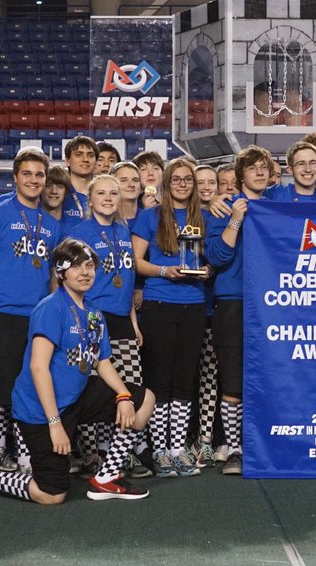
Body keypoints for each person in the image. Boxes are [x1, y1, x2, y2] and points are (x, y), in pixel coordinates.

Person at [0, 239, 156, 503]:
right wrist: (54, 424)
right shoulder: (50, 308)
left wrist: (123, 396)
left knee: (144, 399)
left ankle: (106, 478)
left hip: (75, 398)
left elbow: (101, 361)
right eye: (76, 267)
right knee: (51, 494)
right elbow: (38, 367)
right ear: (61, 273)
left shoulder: (93, 312)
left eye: (89, 266)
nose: (85, 272)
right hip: (41, 411)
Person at [0, 148, 60, 473]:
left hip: (36, 320)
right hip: (0, 316)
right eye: (27, 174)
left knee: (28, 391)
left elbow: (52, 276)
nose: (34, 180)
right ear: (16, 177)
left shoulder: (51, 224)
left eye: (39, 174)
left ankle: (24, 458)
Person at [132, 157, 211, 477]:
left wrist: (207, 270)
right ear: (166, 183)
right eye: (175, 179)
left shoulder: (203, 216)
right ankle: (160, 450)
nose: (182, 184)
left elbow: (213, 256)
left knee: (184, 380)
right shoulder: (149, 216)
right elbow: (136, 261)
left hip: (194, 305)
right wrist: (165, 271)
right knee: (159, 380)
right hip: (159, 304)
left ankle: (178, 449)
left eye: (187, 179)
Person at [67, 175, 142, 473]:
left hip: (122, 319)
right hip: (93, 317)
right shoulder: (79, 233)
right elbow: (68, 282)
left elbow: (128, 280)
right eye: (101, 193)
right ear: (90, 199)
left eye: (113, 193)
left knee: (131, 386)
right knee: (92, 387)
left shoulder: (123, 230)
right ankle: (91, 454)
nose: (108, 198)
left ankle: (119, 454)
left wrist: (134, 323)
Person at [204, 145, 271, 475]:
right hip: (233, 302)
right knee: (232, 379)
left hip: (273, 304)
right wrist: (235, 219)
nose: (259, 172)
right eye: (252, 168)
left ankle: (261, 444)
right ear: (240, 174)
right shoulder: (223, 208)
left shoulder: (277, 206)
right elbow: (217, 257)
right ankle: (233, 449)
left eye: (264, 168)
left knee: (270, 376)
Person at [62, 136, 97, 229]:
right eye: (78, 154)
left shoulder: (103, 195)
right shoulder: (58, 193)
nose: (85, 159)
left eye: (90, 155)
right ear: (67, 161)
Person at [111, 161, 143, 229]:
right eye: (124, 180)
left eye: (135, 180)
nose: (131, 185)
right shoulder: (103, 219)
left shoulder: (150, 218)